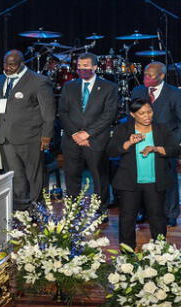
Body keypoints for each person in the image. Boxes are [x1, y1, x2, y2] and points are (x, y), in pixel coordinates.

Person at [107, 99, 179, 249]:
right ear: (133, 114)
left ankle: (159, 252)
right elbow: (111, 151)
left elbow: (174, 149)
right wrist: (128, 143)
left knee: (157, 218)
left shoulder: (162, 129)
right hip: (129, 182)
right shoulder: (123, 129)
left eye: (149, 112)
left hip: (155, 181)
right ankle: (127, 254)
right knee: (127, 219)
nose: (147, 116)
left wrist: (156, 148)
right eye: (142, 113)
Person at [131, 62, 181, 227]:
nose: (146, 78)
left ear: (161, 76)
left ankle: (170, 213)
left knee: (168, 179)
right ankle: (143, 211)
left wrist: (175, 140)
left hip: (166, 144)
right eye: (145, 74)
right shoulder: (137, 91)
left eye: (151, 75)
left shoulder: (175, 94)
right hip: (142, 142)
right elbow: (131, 114)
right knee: (142, 178)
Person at [0, 50, 56, 210]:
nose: (7, 67)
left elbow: (48, 112)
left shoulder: (39, 81)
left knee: (33, 176)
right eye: (5, 63)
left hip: (31, 137)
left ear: (22, 64)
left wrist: (46, 136)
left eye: (12, 64)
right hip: (5, 136)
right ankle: (20, 208)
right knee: (14, 175)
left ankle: (35, 209)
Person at [58, 53, 119, 211]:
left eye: (85, 66)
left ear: (94, 67)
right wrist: (76, 134)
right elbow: (62, 112)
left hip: (96, 140)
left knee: (99, 177)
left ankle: (100, 210)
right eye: (79, 66)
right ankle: (73, 211)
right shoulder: (69, 86)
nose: (81, 69)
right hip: (72, 141)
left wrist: (87, 134)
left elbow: (109, 115)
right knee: (71, 177)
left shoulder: (109, 87)